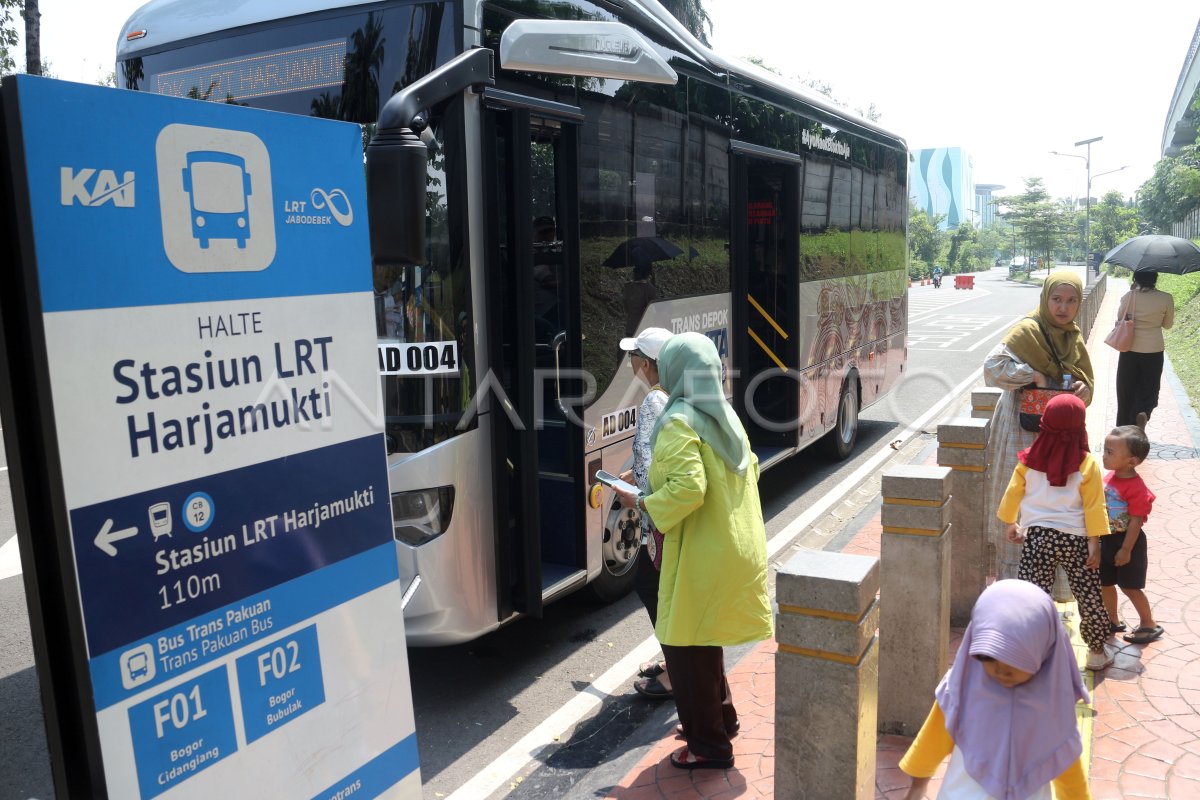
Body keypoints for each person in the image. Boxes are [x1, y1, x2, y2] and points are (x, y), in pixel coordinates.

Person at [612, 332, 773, 770]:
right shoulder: (726, 415)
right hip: (736, 544)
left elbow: (689, 489)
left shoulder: (679, 420)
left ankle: (709, 747)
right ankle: (723, 720)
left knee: (683, 647)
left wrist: (641, 501)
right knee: (705, 641)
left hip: (702, 551)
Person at [899, 580, 1092, 800]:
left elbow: (1066, 763)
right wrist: (917, 787)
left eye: (1017, 657)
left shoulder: (1053, 704)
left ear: (1044, 649)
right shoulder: (963, 686)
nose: (1001, 670)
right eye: (987, 656)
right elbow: (933, 739)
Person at [984, 270, 1094, 578]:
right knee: (1020, 497)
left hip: (1061, 436)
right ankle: (1016, 581)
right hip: (1022, 430)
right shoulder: (1027, 331)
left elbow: (1087, 382)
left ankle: (1047, 585)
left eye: (1071, 300)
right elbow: (992, 369)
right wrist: (1033, 374)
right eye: (1056, 299)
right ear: (1045, 299)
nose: (1063, 307)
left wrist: (1084, 390)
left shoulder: (1073, 336)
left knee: (1058, 504)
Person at [996, 393, 1112, 671]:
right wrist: (1094, 543)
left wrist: (1011, 523)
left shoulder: (1028, 460)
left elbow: (1013, 494)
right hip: (1077, 540)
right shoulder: (1087, 464)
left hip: (1038, 538)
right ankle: (1096, 652)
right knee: (1088, 595)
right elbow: (1094, 506)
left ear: (1044, 423)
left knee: (1032, 595)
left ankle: (1030, 650)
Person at [616, 327, 674, 699]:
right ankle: (676, 661)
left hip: (660, 520)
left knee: (653, 587)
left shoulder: (653, 401)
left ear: (647, 364)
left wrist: (631, 493)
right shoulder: (675, 394)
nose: (631, 362)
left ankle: (677, 673)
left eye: (634, 356)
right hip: (671, 515)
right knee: (665, 589)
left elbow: (648, 461)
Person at [1100, 425, 1163, 644]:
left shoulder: (1135, 487)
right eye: (1105, 450)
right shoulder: (1111, 476)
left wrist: (1126, 549)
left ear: (1132, 461)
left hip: (1128, 541)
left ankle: (1148, 623)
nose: (1104, 456)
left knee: (1129, 586)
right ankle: (1111, 619)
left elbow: (1136, 520)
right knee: (1104, 582)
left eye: (1110, 453)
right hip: (1106, 538)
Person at [1114, 270, 1174, 430]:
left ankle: (1123, 427)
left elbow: (1120, 319)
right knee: (1150, 386)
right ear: (1155, 278)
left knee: (1126, 388)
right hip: (1154, 349)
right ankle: (1143, 412)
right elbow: (1168, 325)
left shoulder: (1129, 297)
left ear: (1135, 278)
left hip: (1129, 348)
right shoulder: (1166, 298)